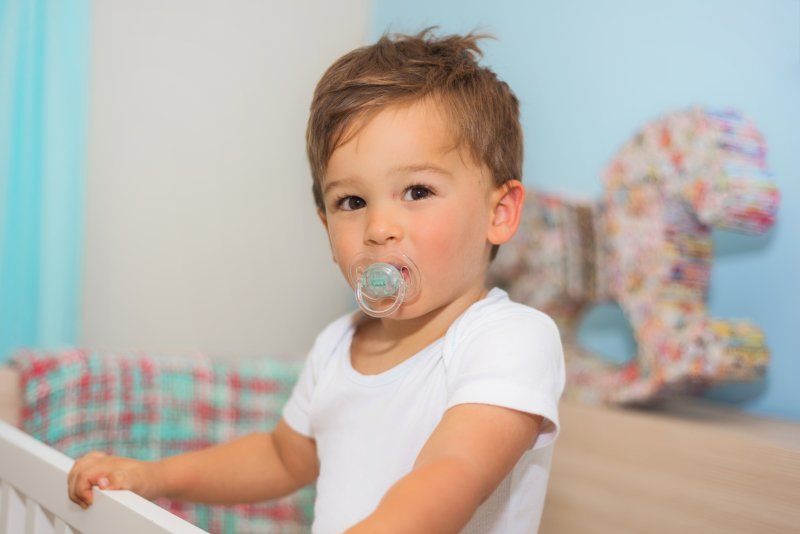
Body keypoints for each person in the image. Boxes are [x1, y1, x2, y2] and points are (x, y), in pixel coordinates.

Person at [68, 28, 565, 533]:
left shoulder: (510, 339)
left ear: (499, 212)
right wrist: (152, 477)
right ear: (326, 225)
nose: (379, 228)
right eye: (352, 202)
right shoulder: (337, 346)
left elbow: (453, 473)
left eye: (417, 190)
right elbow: (282, 457)